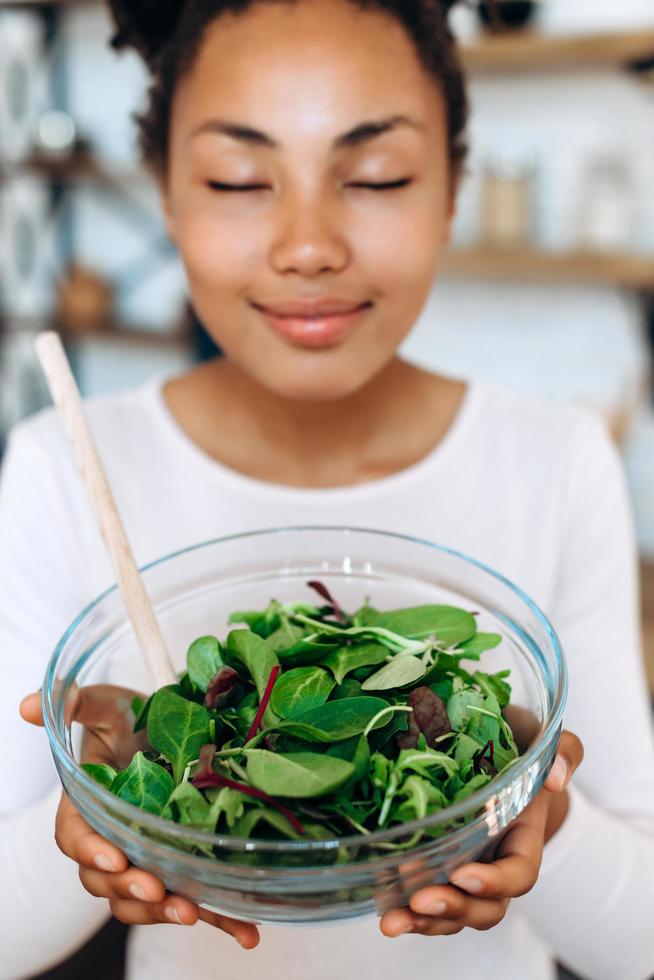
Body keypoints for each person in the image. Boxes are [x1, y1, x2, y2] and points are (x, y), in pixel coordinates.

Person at [1, 1, 653, 978]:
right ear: (169, 194)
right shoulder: (63, 461)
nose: (308, 245)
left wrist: (535, 814)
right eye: (239, 178)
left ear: (450, 190)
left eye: (376, 175)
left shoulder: (559, 463)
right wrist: (115, 810)